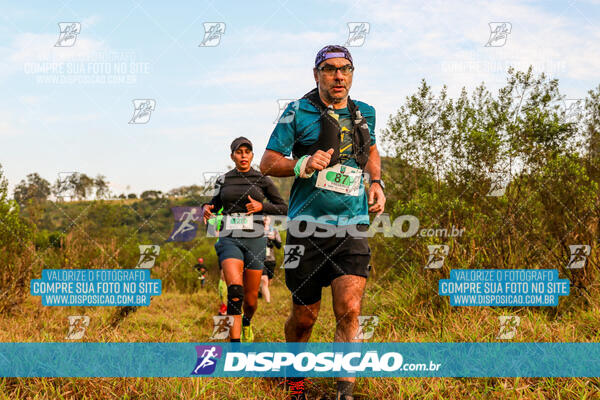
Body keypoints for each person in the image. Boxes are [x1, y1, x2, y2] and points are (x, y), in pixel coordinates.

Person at [260, 45, 385, 400]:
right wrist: (301, 164)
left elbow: (372, 150)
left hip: (351, 225)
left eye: (345, 69)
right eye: (329, 69)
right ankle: (294, 380)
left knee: (350, 309)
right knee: (304, 319)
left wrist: (376, 182)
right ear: (316, 74)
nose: (338, 75)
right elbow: (268, 163)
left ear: (352, 73)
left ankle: (344, 390)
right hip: (306, 229)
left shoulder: (365, 113)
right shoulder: (296, 112)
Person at [203, 137, 288, 343]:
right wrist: (206, 207)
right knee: (234, 290)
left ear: (252, 155)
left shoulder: (262, 180)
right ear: (232, 156)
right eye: (239, 152)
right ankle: (235, 347)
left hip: (255, 239)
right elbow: (214, 204)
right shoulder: (223, 180)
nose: (243, 155)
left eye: (247, 152)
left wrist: (262, 207)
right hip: (229, 238)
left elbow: (284, 208)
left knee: (250, 300)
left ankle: (247, 321)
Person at [260, 215, 282, 303]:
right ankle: (268, 302)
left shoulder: (274, 231)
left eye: (267, 219)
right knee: (264, 280)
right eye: (263, 219)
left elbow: (279, 245)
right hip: (260, 259)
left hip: (271, 260)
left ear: (270, 220)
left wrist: (273, 239)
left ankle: (261, 292)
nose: (265, 221)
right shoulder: (257, 230)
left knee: (268, 281)